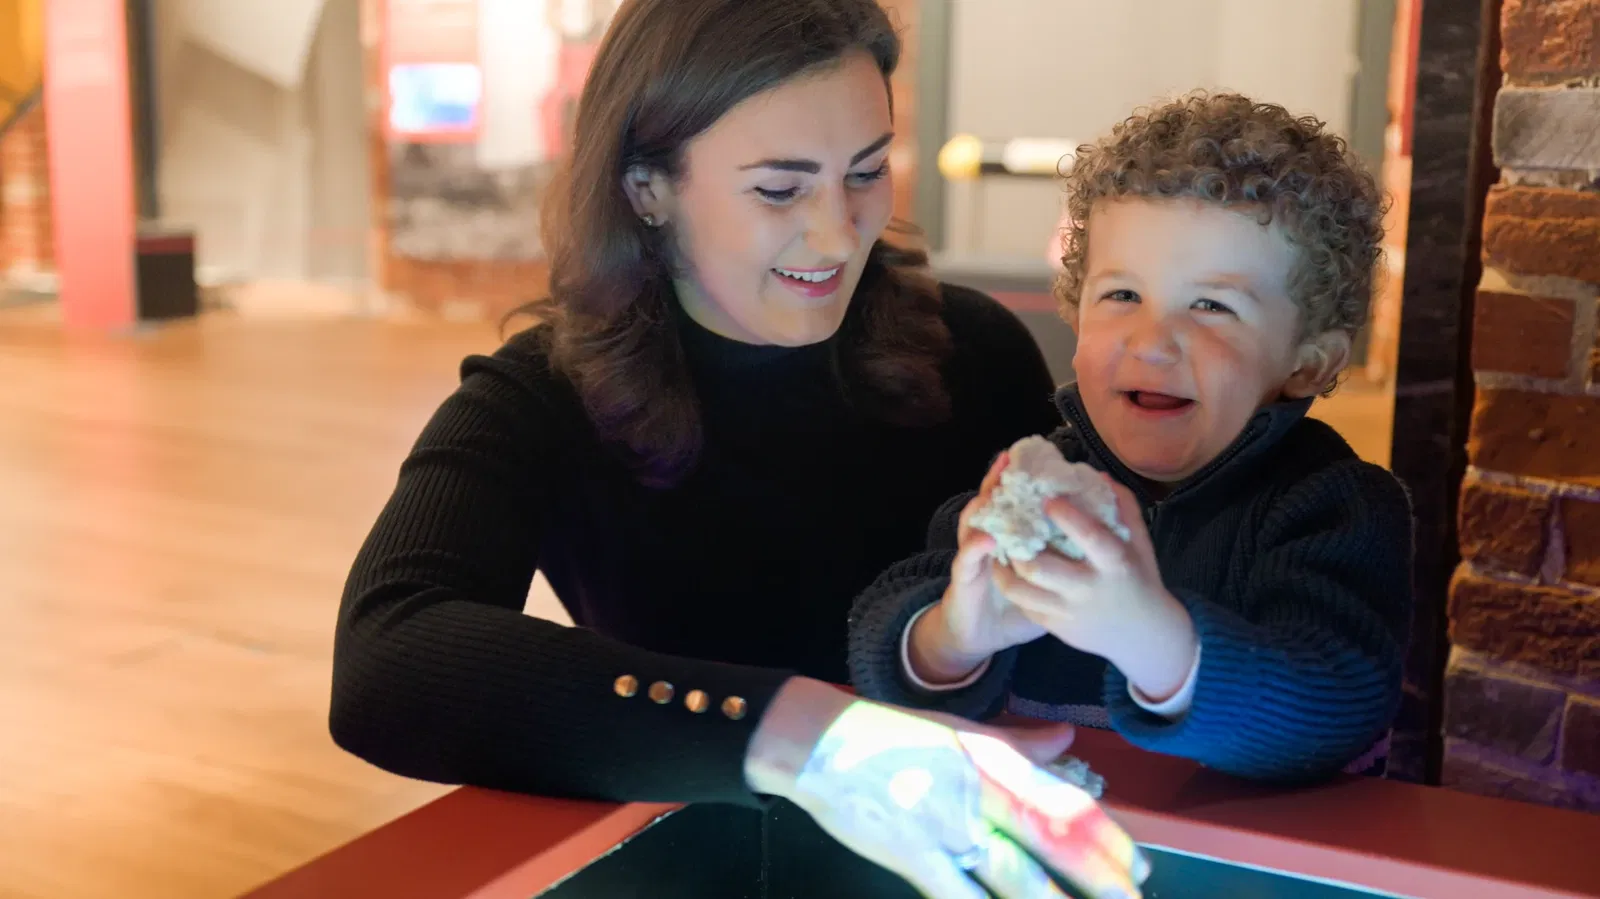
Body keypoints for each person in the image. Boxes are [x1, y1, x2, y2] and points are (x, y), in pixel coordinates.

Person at [330, 1, 1147, 896]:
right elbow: (387, 659)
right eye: (779, 188)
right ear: (648, 187)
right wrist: (806, 731)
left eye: (867, 172)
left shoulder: (976, 348)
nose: (839, 232)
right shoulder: (545, 394)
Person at [848, 92, 1414, 783]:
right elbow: (881, 626)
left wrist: (1148, 637)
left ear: (1309, 361)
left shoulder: (1336, 506)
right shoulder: (1041, 480)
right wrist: (953, 637)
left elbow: (1339, 701)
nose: (1151, 342)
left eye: (1211, 306)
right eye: (1121, 296)